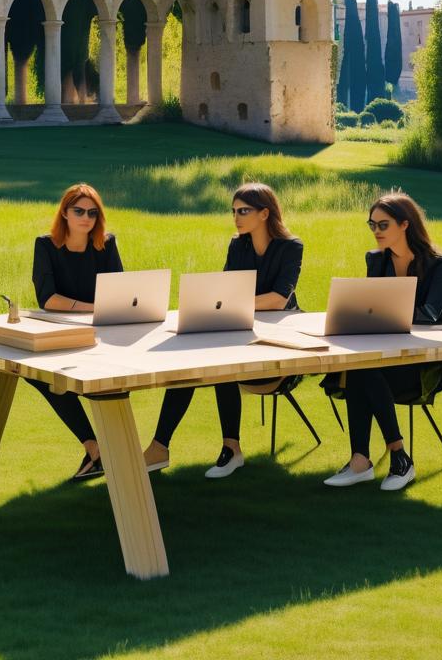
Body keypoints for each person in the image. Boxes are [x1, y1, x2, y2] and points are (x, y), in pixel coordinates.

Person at [143, 183, 303, 479]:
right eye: (233, 211)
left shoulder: (291, 247)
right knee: (190, 363)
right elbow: (225, 290)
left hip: (278, 348)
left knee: (221, 365)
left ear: (265, 213)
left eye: (243, 211)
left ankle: (229, 449)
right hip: (238, 334)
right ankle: (161, 447)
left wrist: (234, 304)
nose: (236, 217)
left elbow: (279, 299)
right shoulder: (238, 245)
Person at [324, 191, 442, 491]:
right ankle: (373, 460)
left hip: (421, 364)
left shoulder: (440, 263)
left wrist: (382, 313)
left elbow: (431, 314)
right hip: (383, 358)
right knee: (361, 367)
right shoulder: (376, 260)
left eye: (383, 225)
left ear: (405, 225)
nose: (376, 232)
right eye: (372, 225)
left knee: (363, 369)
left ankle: (387, 458)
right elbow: (372, 307)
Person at [30, 183, 123, 481]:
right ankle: (95, 447)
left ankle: (99, 451)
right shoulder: (45, 245)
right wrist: (92, 309)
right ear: (65, 213)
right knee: (37, 376)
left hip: (102, 331)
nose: (86, 218)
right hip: (61, 330)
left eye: (92, 213)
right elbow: (48, 299)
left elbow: (120, 292)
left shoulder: (106, 244)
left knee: (110, 383)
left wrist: (99, 313)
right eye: (79, 211)